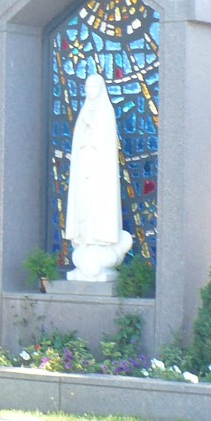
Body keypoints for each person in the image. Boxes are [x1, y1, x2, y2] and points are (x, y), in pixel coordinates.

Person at [64, 74, 135, 281]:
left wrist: (92, 129)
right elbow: (78, 142)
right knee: (84, 207)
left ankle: (100, 240)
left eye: (94, 87)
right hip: (84, 170)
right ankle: (86, 239)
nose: (90, 91)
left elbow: (105, 142)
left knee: (98, 206)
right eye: (88, 87)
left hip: (99, 171)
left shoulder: (105, 112)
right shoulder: (84, 112)